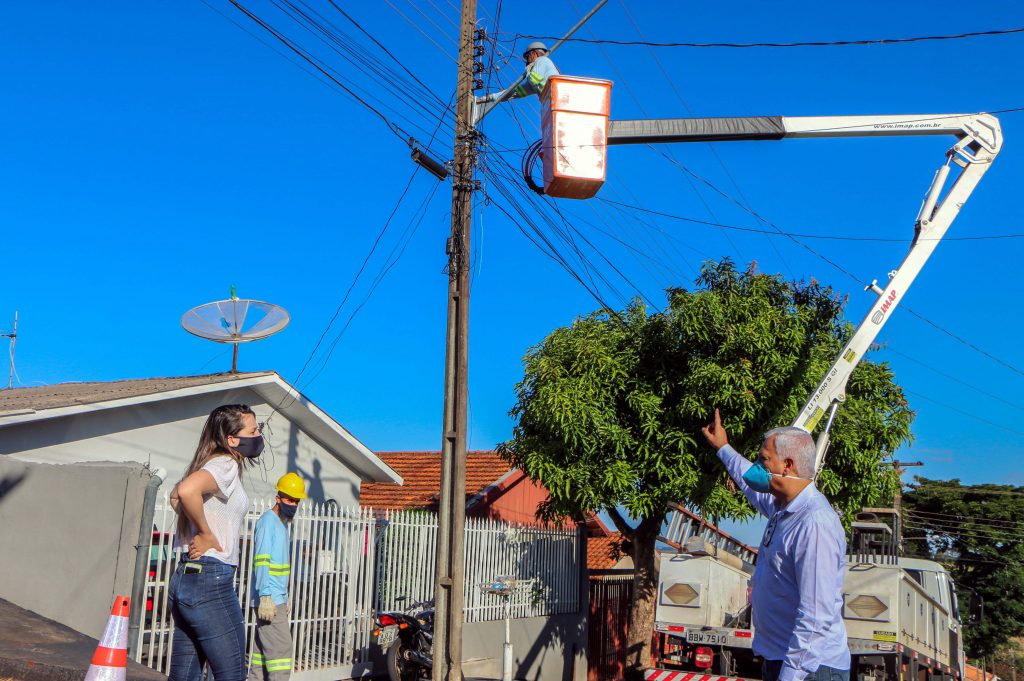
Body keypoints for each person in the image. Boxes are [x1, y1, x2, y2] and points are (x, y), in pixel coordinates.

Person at [701, 409, 850, 681]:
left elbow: (816, 615)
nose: (758, 466)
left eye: (764, 459)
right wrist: (723, 447)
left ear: (788, 465)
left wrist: (791, 675)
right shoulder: (782, 508)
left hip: (810, 669)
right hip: (782, 660)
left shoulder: (814, 524)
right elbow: (748, 481)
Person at [168, 404, 264, 681]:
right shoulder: (225, 464)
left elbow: (175, 497)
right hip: (210, 580)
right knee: (231, 674)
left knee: (185, 675)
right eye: (254, 430)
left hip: (185, 579)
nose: (258, 435)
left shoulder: (206, 463)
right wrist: (206, 533)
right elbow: (186, 492)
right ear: (232, 440)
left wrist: (199, 529)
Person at [247, 472, 306, 681]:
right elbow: (261, 562)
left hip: (275, 598)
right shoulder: (267, 523)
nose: (294, 504)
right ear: (278, 498)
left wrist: (283, 595)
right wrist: (265, 596)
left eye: (297, 501)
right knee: (281, 652)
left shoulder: (281, 525)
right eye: (290, 499)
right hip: (269, 599)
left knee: (262, 654)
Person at [478, 41, 560, 107]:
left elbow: (534, 80)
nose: (527, 61)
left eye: (528, 57)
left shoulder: (542, 60)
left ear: (535, 53)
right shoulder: (537, 84)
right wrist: (490, 97)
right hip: (554, 104)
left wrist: (528, 70)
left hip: (558, 99)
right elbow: (514, 93)